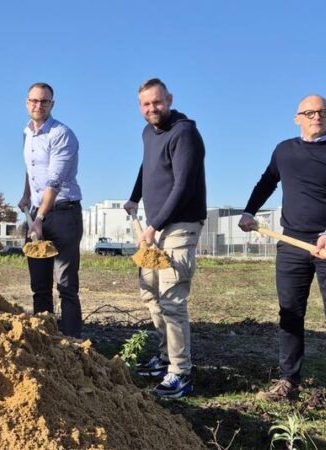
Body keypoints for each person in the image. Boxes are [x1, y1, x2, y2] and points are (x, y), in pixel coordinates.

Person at [238, 94, 326, 421]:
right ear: (297, 117)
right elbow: (267, 181)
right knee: (290, 314)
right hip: (291, 244)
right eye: (309, 112)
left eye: (322, 112)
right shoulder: (284, 151)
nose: (316, 117)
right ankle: (288, 380)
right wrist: (249, 210)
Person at [125, 78, 206, 398]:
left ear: (169, 99)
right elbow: (147, 168)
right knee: (151, 295)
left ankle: (180, 372)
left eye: (157, 102)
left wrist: (153, 224)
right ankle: (164, 358)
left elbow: (183, 184)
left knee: (172, 299)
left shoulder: (184, 133)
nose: (152, 109)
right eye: (146, 104)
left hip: (179, 227)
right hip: (155, 228)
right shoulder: (148, 132)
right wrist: (134, 197)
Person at [18, 82, 83, 338]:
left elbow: (54, 181)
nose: (38, 105)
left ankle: (73, 344)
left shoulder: (62, 134)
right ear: (27, 103)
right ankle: (46, 341)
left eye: (44, 101)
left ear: (52, 104)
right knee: (40, 286)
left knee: (66, 285)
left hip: (64, 214)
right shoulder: (27, 133)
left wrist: (40, 217)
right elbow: (31, 168)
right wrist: (26, 195)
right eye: (34, 101)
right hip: (37, 213)